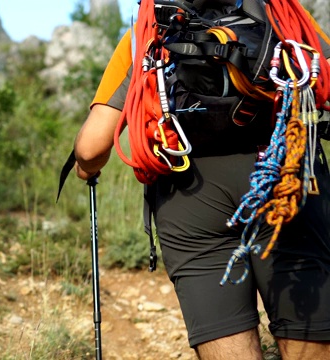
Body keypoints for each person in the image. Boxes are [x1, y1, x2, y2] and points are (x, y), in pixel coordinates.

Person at [73, 0, 330, 359]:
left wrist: (87, 169)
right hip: (284, 182)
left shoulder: (147, 34)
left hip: (190, 197)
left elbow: (90, 147)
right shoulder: (284, 17)